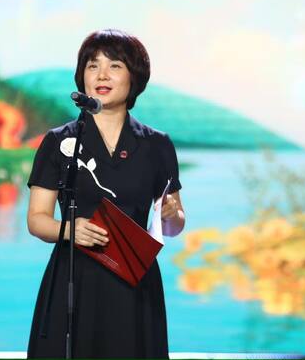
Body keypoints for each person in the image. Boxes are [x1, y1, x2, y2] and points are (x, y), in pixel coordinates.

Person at [26, 29, 186, 358]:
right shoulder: (60, 141)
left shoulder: (157, 145)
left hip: (134, 282)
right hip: (74, 278)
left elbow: (173, 225)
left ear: (134, 77)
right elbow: (37, 219)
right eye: (92, 65)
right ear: (82, 76)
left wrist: (172, 216)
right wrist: (69, 230)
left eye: (114, 66)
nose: (101, 75)